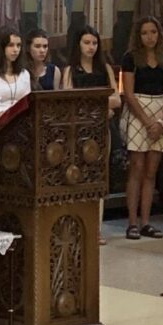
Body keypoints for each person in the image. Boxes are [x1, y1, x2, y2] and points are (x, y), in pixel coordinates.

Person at [63, 25, 121, 244]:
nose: (91, 47)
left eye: (94, 43)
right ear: (78, 44)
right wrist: (99, 107)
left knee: (98, 177)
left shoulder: (104, 69)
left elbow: (116, 99)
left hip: (101, 130)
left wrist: (93, 106)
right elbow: (69, 100)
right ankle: (76, 226)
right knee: (77, 177)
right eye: (86, 43)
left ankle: (96, 229)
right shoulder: (71, 70)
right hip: (78, 131)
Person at [122, 16, 163, 240]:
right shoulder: (130, 58)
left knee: (151, 171)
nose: (149, 37)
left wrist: (161, 122)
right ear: (138, 35)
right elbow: (128, 93)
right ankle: (132, 223)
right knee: (137, 167)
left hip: (160, 112)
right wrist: (146, 122)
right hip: (138, 111)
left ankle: (146, 221)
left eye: (153, 32)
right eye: (145, 33)